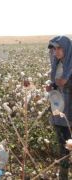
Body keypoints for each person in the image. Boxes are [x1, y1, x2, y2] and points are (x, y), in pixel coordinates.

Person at [47, 36, 72, 180]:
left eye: (59, 48)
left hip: (70, 112)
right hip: (59, 112)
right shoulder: (57, 64)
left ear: (67, 49)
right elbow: (56, 83)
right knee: (63, 149)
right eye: (54, 48)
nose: (56, 51)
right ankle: (63, 177)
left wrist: (66, 84)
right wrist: (52, 86)